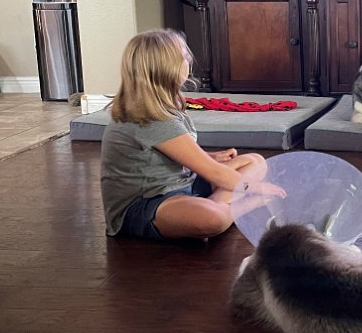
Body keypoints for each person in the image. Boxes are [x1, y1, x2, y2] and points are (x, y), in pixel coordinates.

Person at [100, 29, 285, 241]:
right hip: (146, 203)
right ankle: (235, 205)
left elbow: (168, 153)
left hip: (181, 183)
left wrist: (209, 156)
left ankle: (217, 203)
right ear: (166, 68)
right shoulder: (150, 118)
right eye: (184, 57)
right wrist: (255, 190)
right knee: (212, 218)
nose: (189, 61)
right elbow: (214, 173)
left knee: (255, 162)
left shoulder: (163, 106)